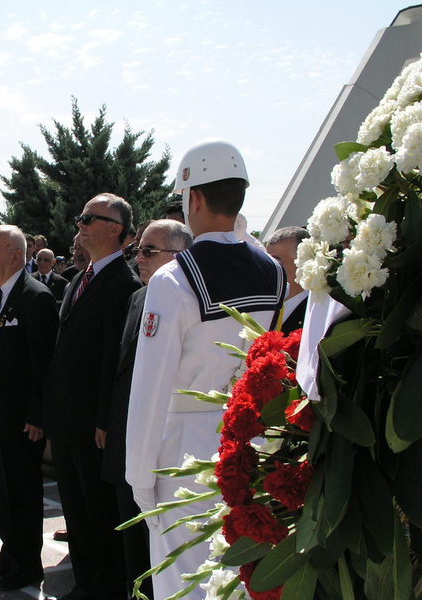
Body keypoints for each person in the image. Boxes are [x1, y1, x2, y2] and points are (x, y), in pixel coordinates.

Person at [126, 140, 286, 599]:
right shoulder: (273, 271)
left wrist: (139, 476)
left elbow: (150, 389)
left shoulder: (173, 278)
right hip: (251, 444)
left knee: (184, 582)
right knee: (237, 578)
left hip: (183, 452)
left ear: (193, 197)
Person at [44, 193, 141, 600]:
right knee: (75, 506)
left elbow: (114, 362)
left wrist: (104, 419)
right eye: (80, 217)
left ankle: (103, 586)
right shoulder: (79, 279)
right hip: (66, 417)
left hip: (93, 424)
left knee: (97, 509)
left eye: (89, 218)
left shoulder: (125, 284)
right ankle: (84, 580)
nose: (80, 224)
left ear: (115, 229)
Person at [101, 220, 192, 599]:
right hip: (127, 437)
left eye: (149, 251)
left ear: (180, 255)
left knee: (161, 547)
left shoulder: (189, 300)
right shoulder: (138, 297)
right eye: (137, 249)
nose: (138, 257)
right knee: (131, 541)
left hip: (166, 447)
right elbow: (121, 370)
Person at [0, 225, 58, 591]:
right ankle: (10, 556)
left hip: (20, 420)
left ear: (16, 256)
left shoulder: (36, 297)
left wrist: (37, 415)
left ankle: (27, 565)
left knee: (20, 493)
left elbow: (43, 362)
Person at [264, 226, 310, 332]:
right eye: (267, 260)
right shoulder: (264, 303)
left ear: (304, 262)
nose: (269, 267)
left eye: (277, 261)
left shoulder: (318, 310)